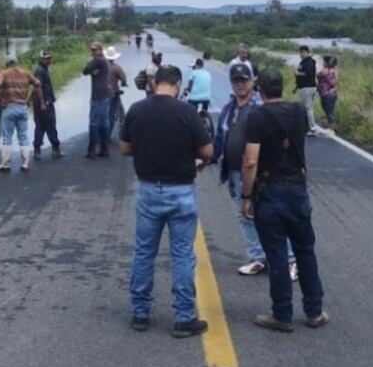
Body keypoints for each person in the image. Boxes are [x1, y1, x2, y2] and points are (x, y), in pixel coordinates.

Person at [120, 65, 213, 338]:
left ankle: (140, 313)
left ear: (154, 82)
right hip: (181, 191)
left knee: (144, 252)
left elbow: (125, 148)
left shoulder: (137, 110)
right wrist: (193, 158)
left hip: (149, 189)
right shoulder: (186, 112)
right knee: (183, 254)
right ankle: (184, 317)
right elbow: (207, 150)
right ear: (178, 84)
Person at [241, 70, 328, 332]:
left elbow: (251, 160)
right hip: (298, 187)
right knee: (305, 251)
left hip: (270, 190)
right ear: (282, 87)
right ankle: (314, 311)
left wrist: (247, 196)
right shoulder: (299, 110)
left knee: (277, 255)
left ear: (260, 90)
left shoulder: (256, 116)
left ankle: (282, 314)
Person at [212, 63, 297, 278]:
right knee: (244, 217)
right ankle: (258, 258)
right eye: (236, 81)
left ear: (253, 82)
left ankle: (289, 260)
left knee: (271, 217)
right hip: (233, 172)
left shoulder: (261, 108)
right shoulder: (228, 109)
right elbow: (220, 140)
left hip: (259, 173)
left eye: (244, 80)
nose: (240, 85)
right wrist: (205, 159)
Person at [0, 54, 45, 172]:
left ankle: (6, 164)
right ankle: (25, 163)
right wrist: (29, 99)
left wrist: (0, 99)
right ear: (16, 62)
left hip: (9, 107)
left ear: (7, 64)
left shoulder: (4, 73)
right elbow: (38, 84)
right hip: (22, 107)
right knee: (23, 136)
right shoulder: (25, 73)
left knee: (7, 137)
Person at [82, 41, 113, 158]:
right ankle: (104, 149)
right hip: (105, 93)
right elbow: (88, 69)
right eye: (92, 50)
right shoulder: (104, 61)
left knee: (94, 122)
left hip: (98, 94)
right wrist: (91, 69)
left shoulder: (99, 60)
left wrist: (90, 67)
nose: (93, 52)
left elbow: (85, 70)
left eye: (95, 50)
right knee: (104, 121)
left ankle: (92, 150)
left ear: (100, 50)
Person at [32, 49, 62, 159]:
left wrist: (30, 100)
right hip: (44, 103)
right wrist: (43, 103)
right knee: (48, 125)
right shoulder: (40, 71)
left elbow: (35, 88)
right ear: (41, 59)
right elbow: (38, 87)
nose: (48, 60)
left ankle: (39, 150)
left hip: (42, 102)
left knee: (42, 126)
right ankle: (54, 148)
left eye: (49, 57)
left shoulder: (43, 69)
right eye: (46, 58)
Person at [294, 45, 319, 135]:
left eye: (304, 52)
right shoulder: (303, 62)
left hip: (308, 87)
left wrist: (298, 73)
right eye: (301, 52)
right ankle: (307, 126)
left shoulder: (310, 62)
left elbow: (309, 73)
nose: (302, 54)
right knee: (306, 107)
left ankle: (312, 128)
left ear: (308, 53)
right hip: (303, 87)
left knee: (308, 107)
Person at [105, 46, 127, 139]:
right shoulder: (117, 68)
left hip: (102, 93)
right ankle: (109, 135)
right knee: (113, 113)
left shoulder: (102, 67)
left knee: (103, 113)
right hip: (113, 93)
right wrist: (123, 83)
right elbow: (124, 79)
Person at [318, 55, 339, 130]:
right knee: (331, 111)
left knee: (328, 112)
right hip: (333, 93)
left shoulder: (325, 70)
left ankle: (331, 129)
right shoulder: (335, 71)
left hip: (326, 94)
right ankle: (331, 127)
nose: (322, 63)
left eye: (323, 61)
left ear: (327, 62)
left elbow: (318, 75)